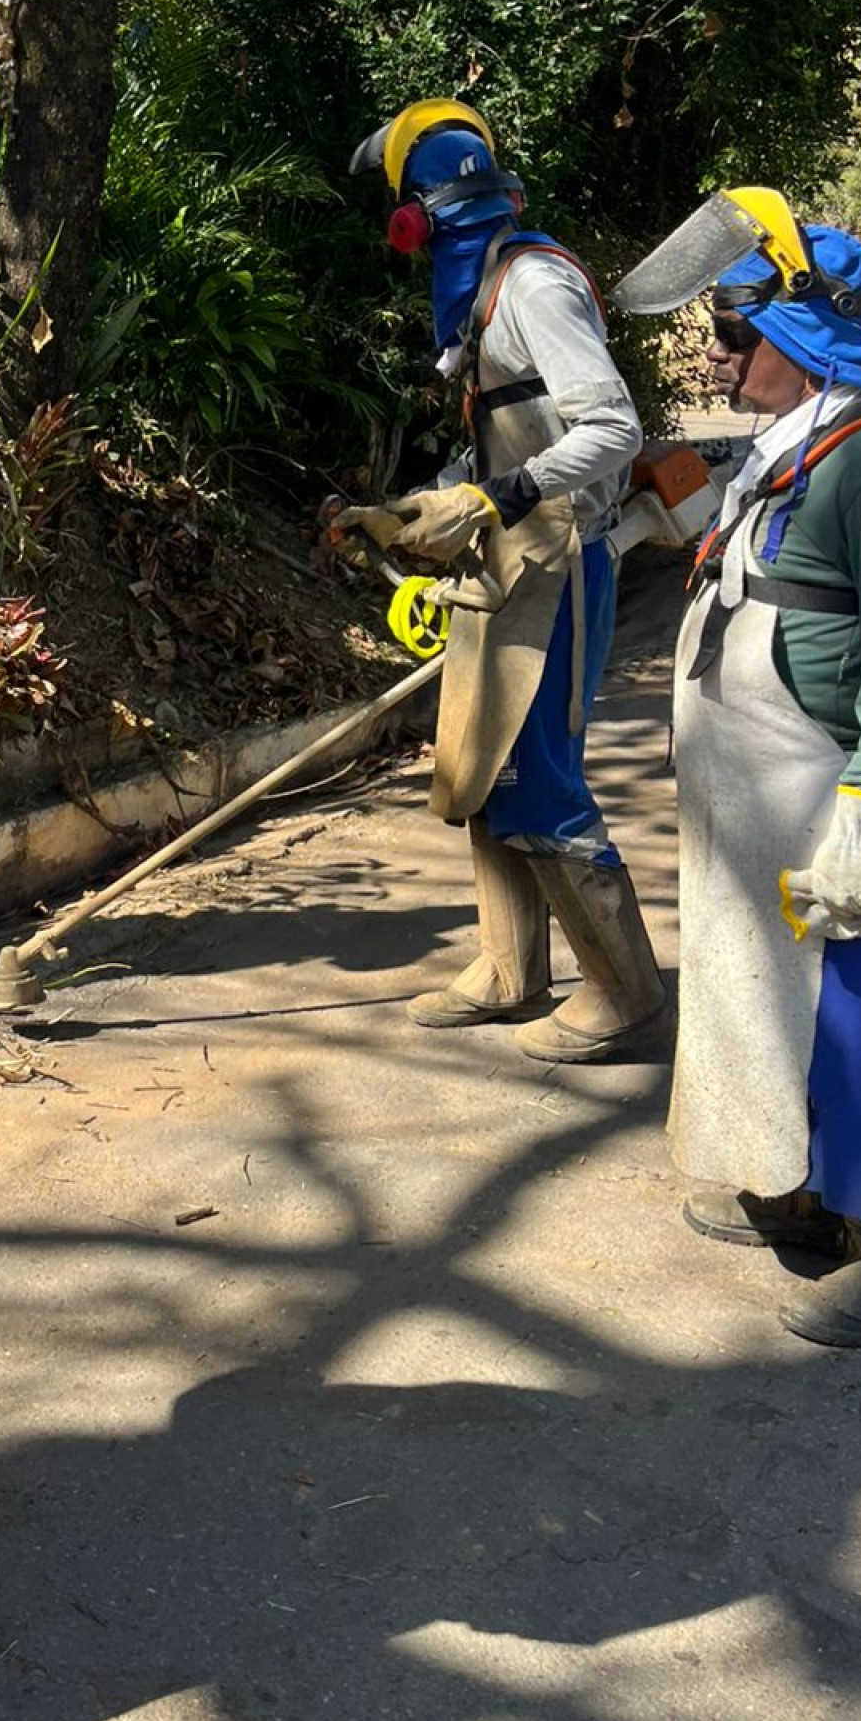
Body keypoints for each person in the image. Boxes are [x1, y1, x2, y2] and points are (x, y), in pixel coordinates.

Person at [338, 99, 663, 1062]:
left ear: (423, 216)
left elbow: (614, 431)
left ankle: (624, 990)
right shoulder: (487, 295)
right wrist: (417, 507)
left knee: (540, 778)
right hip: (508, 558)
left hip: (561, 561)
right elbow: (505, 443)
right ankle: (510, 968)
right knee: (482, 771)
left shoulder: (533, 287)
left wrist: (495, 498)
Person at [613, 189, 861, 1347]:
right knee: (776, 997)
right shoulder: (794, 443)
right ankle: (803, 1189)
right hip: (753, 796)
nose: (717, 356)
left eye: (736, 335)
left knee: (856, 1008)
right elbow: (728, 550)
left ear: (803, 337)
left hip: (826, 783)